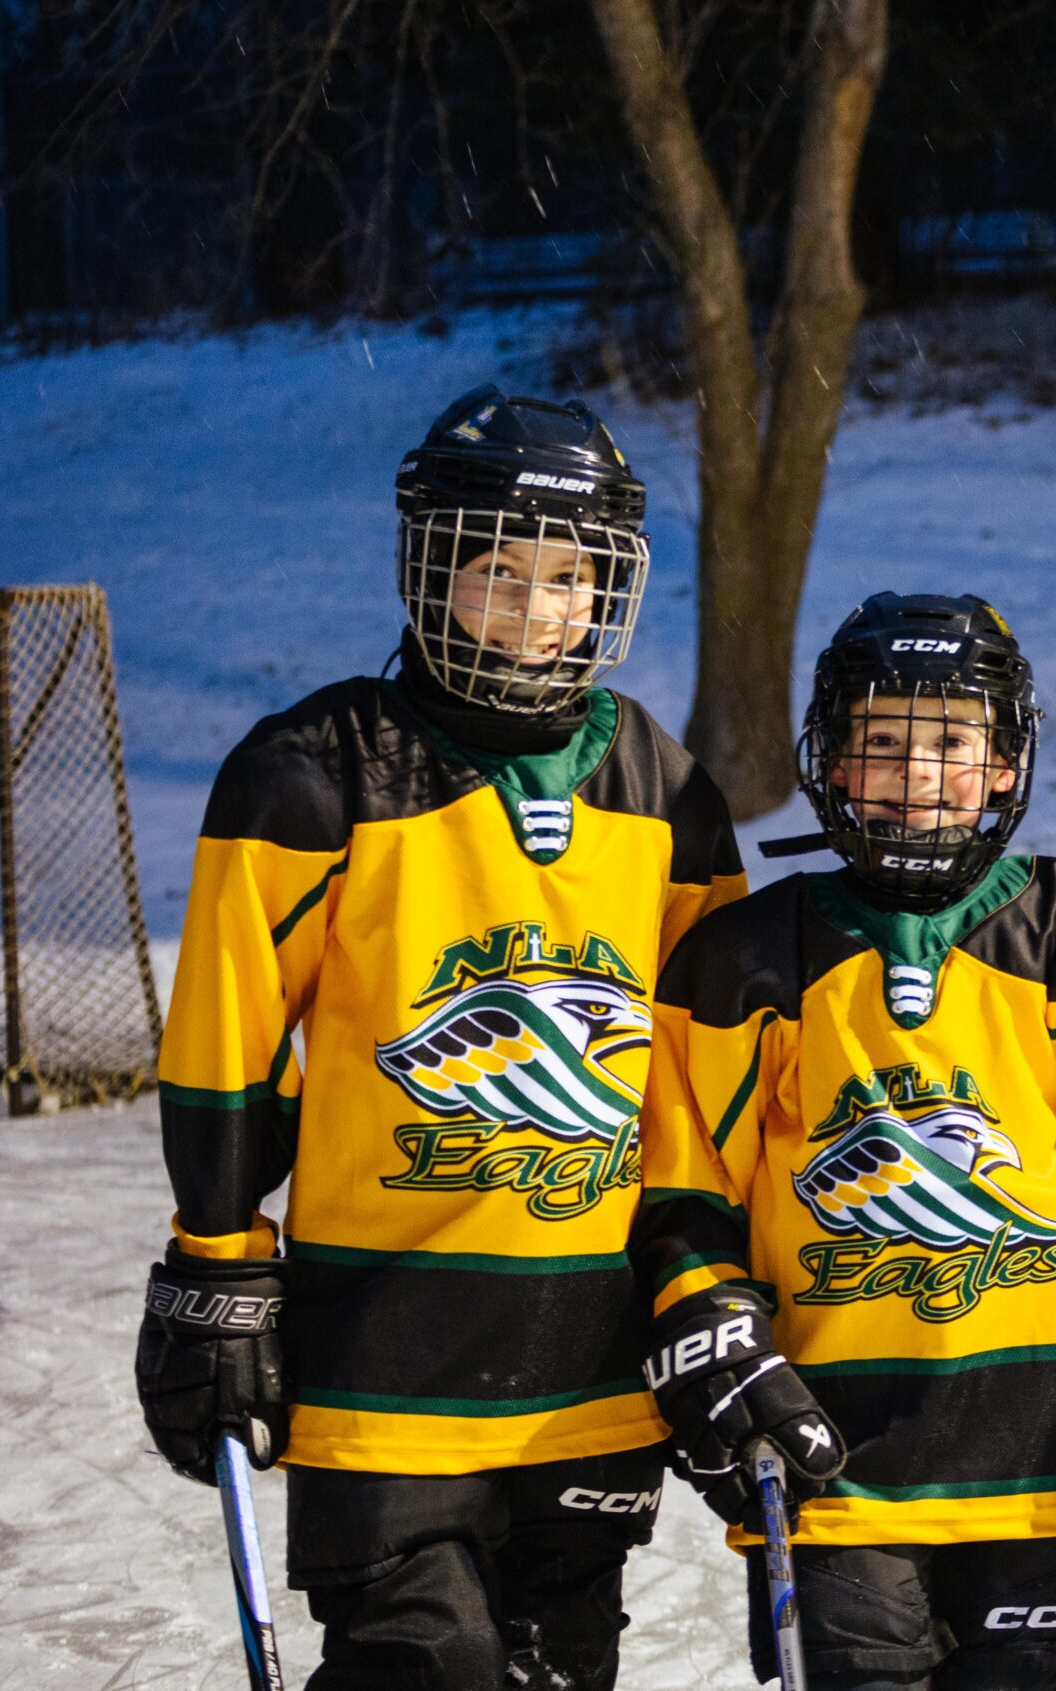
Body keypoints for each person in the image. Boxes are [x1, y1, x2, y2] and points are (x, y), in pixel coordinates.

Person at [136, 385, 745, 1687]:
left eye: (570, 577)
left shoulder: (667, 788)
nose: (538, 610)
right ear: (427, 566)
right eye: (497, 572)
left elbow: (712, 1083)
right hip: (381, 1368)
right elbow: (227, 1045)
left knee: (557, 1666)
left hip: (591, 1361)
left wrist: (717, 1289)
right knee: (422, 1665)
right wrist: (217, 1252)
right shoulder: (313, 767)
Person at [634, 592, 1056, 1690]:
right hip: (830, 1464)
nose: (913, 772)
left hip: (1039, 1459)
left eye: (949, 742)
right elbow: (687, 1190)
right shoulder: (746, 959)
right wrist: (710, 1324)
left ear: (1005, 764)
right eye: (882, 742)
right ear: (831, 762)